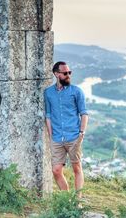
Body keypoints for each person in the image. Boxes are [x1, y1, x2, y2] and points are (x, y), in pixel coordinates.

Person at [44, 61, 88, 195]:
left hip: (74, 136)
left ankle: (78, 201)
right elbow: (48, 115)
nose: (68, 75)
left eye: (70, 72)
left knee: (77, 168)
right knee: (56, 170)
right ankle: (67, 199)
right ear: (56, 74)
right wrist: (51, 136)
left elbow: (84, 114)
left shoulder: (76, 91)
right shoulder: (48, 93)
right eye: (65, 73)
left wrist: (81, 133)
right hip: (57, 138)